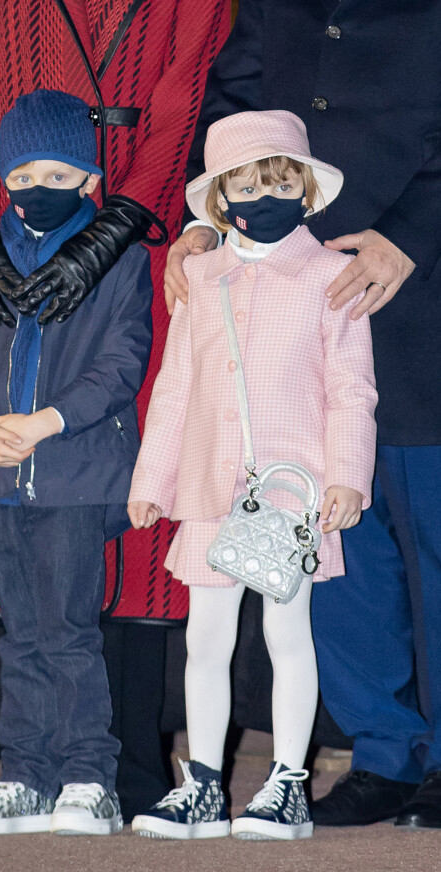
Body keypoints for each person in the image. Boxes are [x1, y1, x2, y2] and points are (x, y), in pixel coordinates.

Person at [0, 0, 231, 821]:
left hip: (144, 235)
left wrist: (118, 226)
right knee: (32, 616)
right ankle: (34, 767)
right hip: (9, 237)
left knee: (131, 507)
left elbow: (183, 92)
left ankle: (114, 766)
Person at [165, 0, 441, 829]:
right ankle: (385, 755)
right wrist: (209, 222)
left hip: (421, 296)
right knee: (337, 557)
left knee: (432, 540)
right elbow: (231, 105)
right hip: (292, 307)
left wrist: (410, 233)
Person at [127, 110, 377, 840]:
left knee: (286, 633)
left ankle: (288, 784)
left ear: (303, 190)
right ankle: (203, 785)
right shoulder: (201, 277)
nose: (261, 196)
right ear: (220, 197)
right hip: (211, 488)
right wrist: (152, 480)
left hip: (292, 493)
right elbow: (176, 384)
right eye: (244, 183)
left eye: (276, 182)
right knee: (205, 638)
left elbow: (351, 387)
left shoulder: (331, 274)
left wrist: (348, 475)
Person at [0, 89, 153, 835]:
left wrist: (49, 421)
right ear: (2, 179)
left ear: (91, 181)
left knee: (68, 631)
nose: (38, 189)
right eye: (23, 174)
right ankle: (25, 773)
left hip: (74, 475)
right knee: (20, 634)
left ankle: (89, 776)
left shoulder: (115, 262)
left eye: (60, 174)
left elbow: (122, 362)